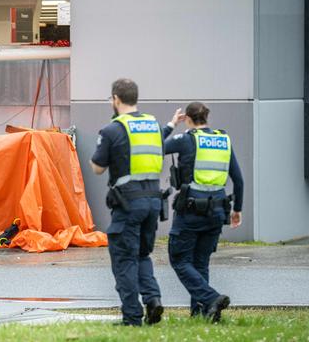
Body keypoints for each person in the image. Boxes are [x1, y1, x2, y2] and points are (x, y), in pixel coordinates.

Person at [89, 78, 168, 326]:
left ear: (115, 99)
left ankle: (132, 317)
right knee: (142, 255)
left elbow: (97, 168)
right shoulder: (153, 125)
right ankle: (153, 299)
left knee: (124, 259)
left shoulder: (113, 129)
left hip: (128, 204)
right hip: (154, 201)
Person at [163, 102, 244, 323]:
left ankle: (211, 299)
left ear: (187, 118)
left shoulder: (187, 139)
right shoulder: (222, 139)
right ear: (206, 118)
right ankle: (203, 314)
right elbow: (238, 179)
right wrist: (237, 209)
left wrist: (171, 124)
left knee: (179, 259)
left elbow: (156, 146)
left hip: (191, 210)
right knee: (200, 263)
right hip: (217, 211)